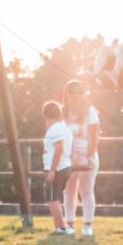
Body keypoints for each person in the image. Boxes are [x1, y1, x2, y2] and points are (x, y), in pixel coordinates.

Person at [62, 80, 100, 238]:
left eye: (78, 93)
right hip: (68, 155)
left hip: (86, 153)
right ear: (67, 94)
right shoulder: (63, 111)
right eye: (72, 94)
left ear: (82, 94)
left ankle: (87, 225)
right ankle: (69, 224)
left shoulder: (90, 111)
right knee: (69, 190)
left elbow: (94, 136)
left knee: (87, 189)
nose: (75, 97)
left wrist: (90, 157)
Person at [41, 100, 72, 235]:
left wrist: (52, 170)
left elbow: (58, 149)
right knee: (56, 197)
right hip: (64, 166)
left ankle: (61, 228)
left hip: (57, 168)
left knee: (52, 198)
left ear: (46, 115)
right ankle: (59, 226)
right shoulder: (64, 127)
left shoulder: (55, 128)